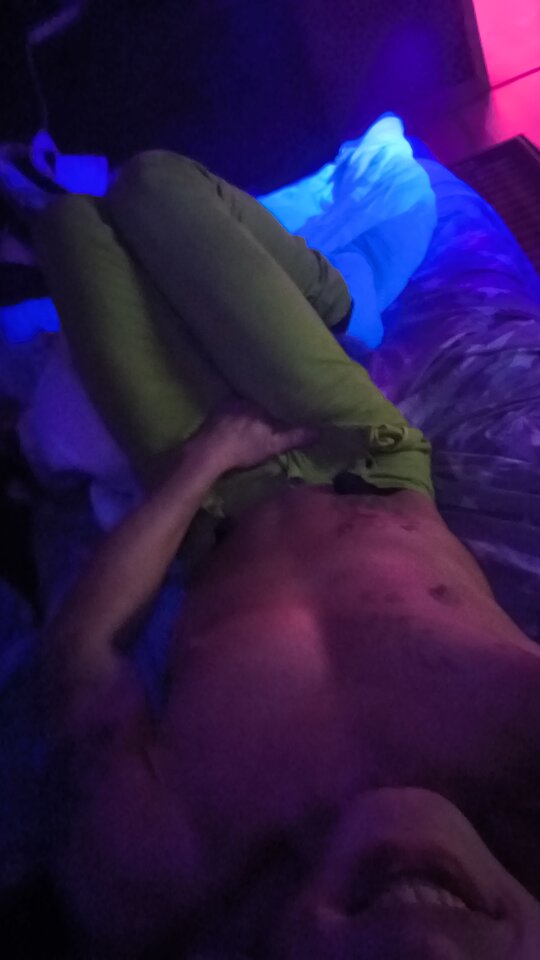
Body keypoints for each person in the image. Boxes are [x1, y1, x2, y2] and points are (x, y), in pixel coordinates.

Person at [18, 151, 540, 959]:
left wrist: (205, 462)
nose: (424, 947)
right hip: (355, 455)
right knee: (155, 185)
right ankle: (339, 301)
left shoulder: (152, 873)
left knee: (70, 226)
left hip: (210, 497)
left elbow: (79, 650)